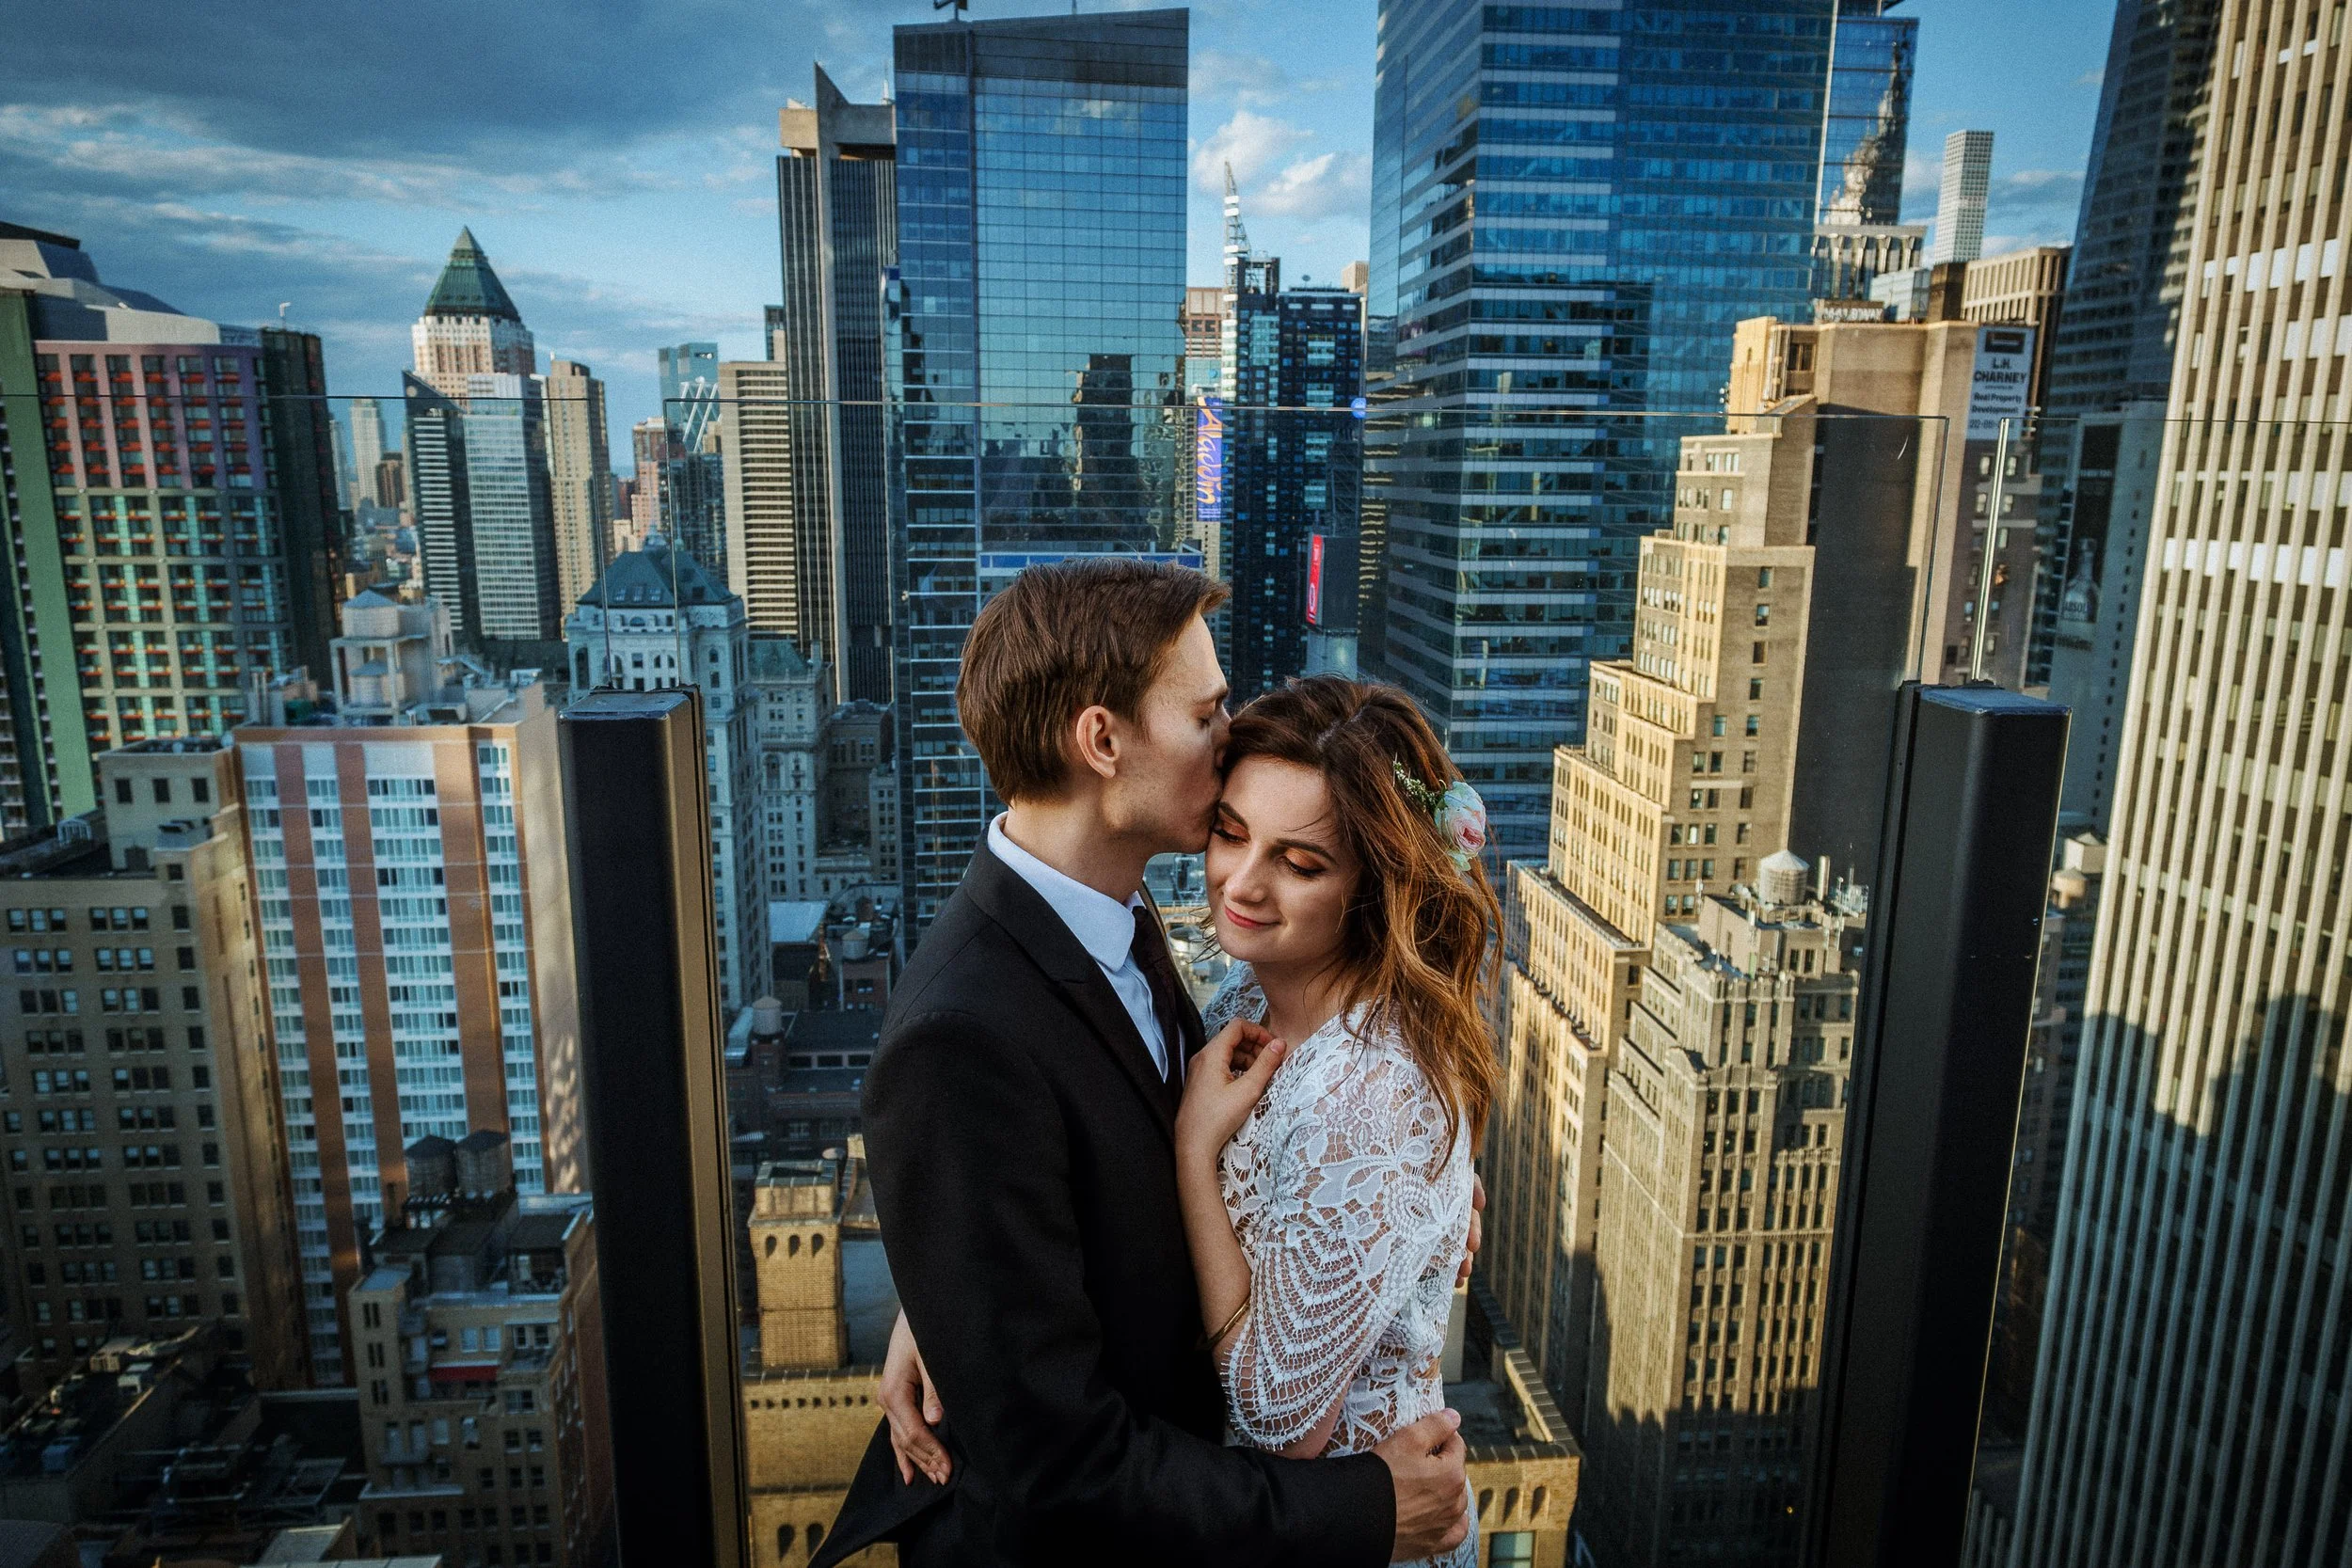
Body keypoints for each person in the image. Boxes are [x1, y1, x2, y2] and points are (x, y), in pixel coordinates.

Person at [811, 561, 1471, 1568]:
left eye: (1296, 859)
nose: (1231, 731)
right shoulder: (958, 1032)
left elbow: (1085, 1168)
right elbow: (1064, 1460)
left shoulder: (1122, 919)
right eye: (1207, 711)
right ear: (1102, 739)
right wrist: (950, 1297)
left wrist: (1426, 1200)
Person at [1173, 676, 1498, 1568]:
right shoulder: (1249, 991)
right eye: (1231, 832)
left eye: (1299, 862)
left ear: (1371, 885)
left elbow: (1280, 1418)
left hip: (1361, 1533)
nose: (1242, 881)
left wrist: (1195, 1153)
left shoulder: (1372, 1092)